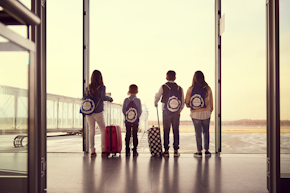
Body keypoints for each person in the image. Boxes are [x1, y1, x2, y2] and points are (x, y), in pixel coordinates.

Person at [154, 70, 185, 157]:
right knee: (176, 131)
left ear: (166, 78)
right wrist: (179, 110)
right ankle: (175, 150)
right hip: (176, 113)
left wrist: (155, 102)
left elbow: (157, 96)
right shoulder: (180, 88)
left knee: (166, 131)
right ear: (175, 78)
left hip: (166, 112)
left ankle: (166, 150)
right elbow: (182, 102)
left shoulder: (164, 87)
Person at [185, 71, 213, 157]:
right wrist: (210, 110)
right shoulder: (207, 88)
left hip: (195, 114)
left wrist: (191, 106)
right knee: (206, 132)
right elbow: (211, 101)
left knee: (198, 133)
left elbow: (187, 102)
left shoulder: (191, 89)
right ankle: (207, 151)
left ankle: (199, 151)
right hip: (206, 113)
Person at [85, 70, 113, 157]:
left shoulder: (88, 87)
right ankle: (103, 149)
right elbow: (103, 97)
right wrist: (110, 98)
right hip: (98, 111)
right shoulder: (102, 87)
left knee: (91, 130)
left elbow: (84, 97)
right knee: (103, 130)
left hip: (89, 111)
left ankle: (92, 150)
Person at [122, 84, 142, 156]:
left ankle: (127, 149)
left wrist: (127, 116)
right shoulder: (138, 100)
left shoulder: (126, 100)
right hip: (135, 121)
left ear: (129, 91)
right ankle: (135, 150)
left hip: (128, 120)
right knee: (135, 134)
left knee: (128, 134)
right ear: (137, 92)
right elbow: (140, 111)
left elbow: (123, 110)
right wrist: (137, 117)